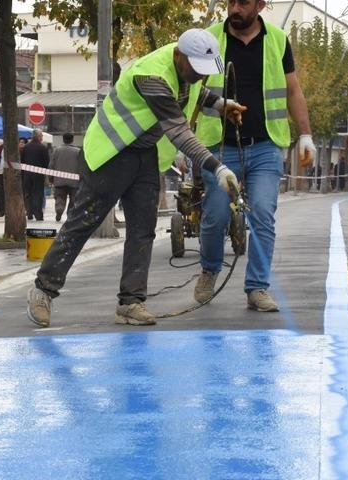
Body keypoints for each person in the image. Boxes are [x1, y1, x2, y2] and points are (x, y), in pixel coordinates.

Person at [26, 28, 246, 328]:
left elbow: (193, 90)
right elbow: (179, 131)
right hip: (111, 152)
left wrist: (220, 104)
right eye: (196, 70)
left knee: (143, 229)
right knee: (83, 223)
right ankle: (43, 290)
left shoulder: (186, 67)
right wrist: (216, 167)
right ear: (180, 56)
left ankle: (131, 302)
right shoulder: (152, 76)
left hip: (143, 153)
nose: (199, 76)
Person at [191, 0, 315, 312]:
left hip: (265, 145)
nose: (235, 8)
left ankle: (257, 287)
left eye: (243, 3)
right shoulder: (210, 40)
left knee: (262, 214)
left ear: (260, 5)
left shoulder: (276, 40)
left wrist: (306, 134)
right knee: (216, 216)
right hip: (219, 147)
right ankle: (209, 269)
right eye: (231, 2)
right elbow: (192, 91)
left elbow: (292, 90)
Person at [48, 132, 82, 222]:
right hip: (74, 181)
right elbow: (81, 166)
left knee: (60, 197)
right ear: (72, 140)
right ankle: (70, 215)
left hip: (59, 180)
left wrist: (51, 178)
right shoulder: (78, 151)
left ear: (63, 139)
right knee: (73, 199)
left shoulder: (56, 150)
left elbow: (51, 165)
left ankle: (59, 209)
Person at [21, 130, 49, 221]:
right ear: (37, 136)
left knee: (28, 194)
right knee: (38, 194)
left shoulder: (25, 147)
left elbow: (22, 160)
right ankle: (38, 215)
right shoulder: (43, 148)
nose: (42, 137)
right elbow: (46, 162)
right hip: (38, 174)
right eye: (41, 135)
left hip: (27, 174)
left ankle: (29, 213)